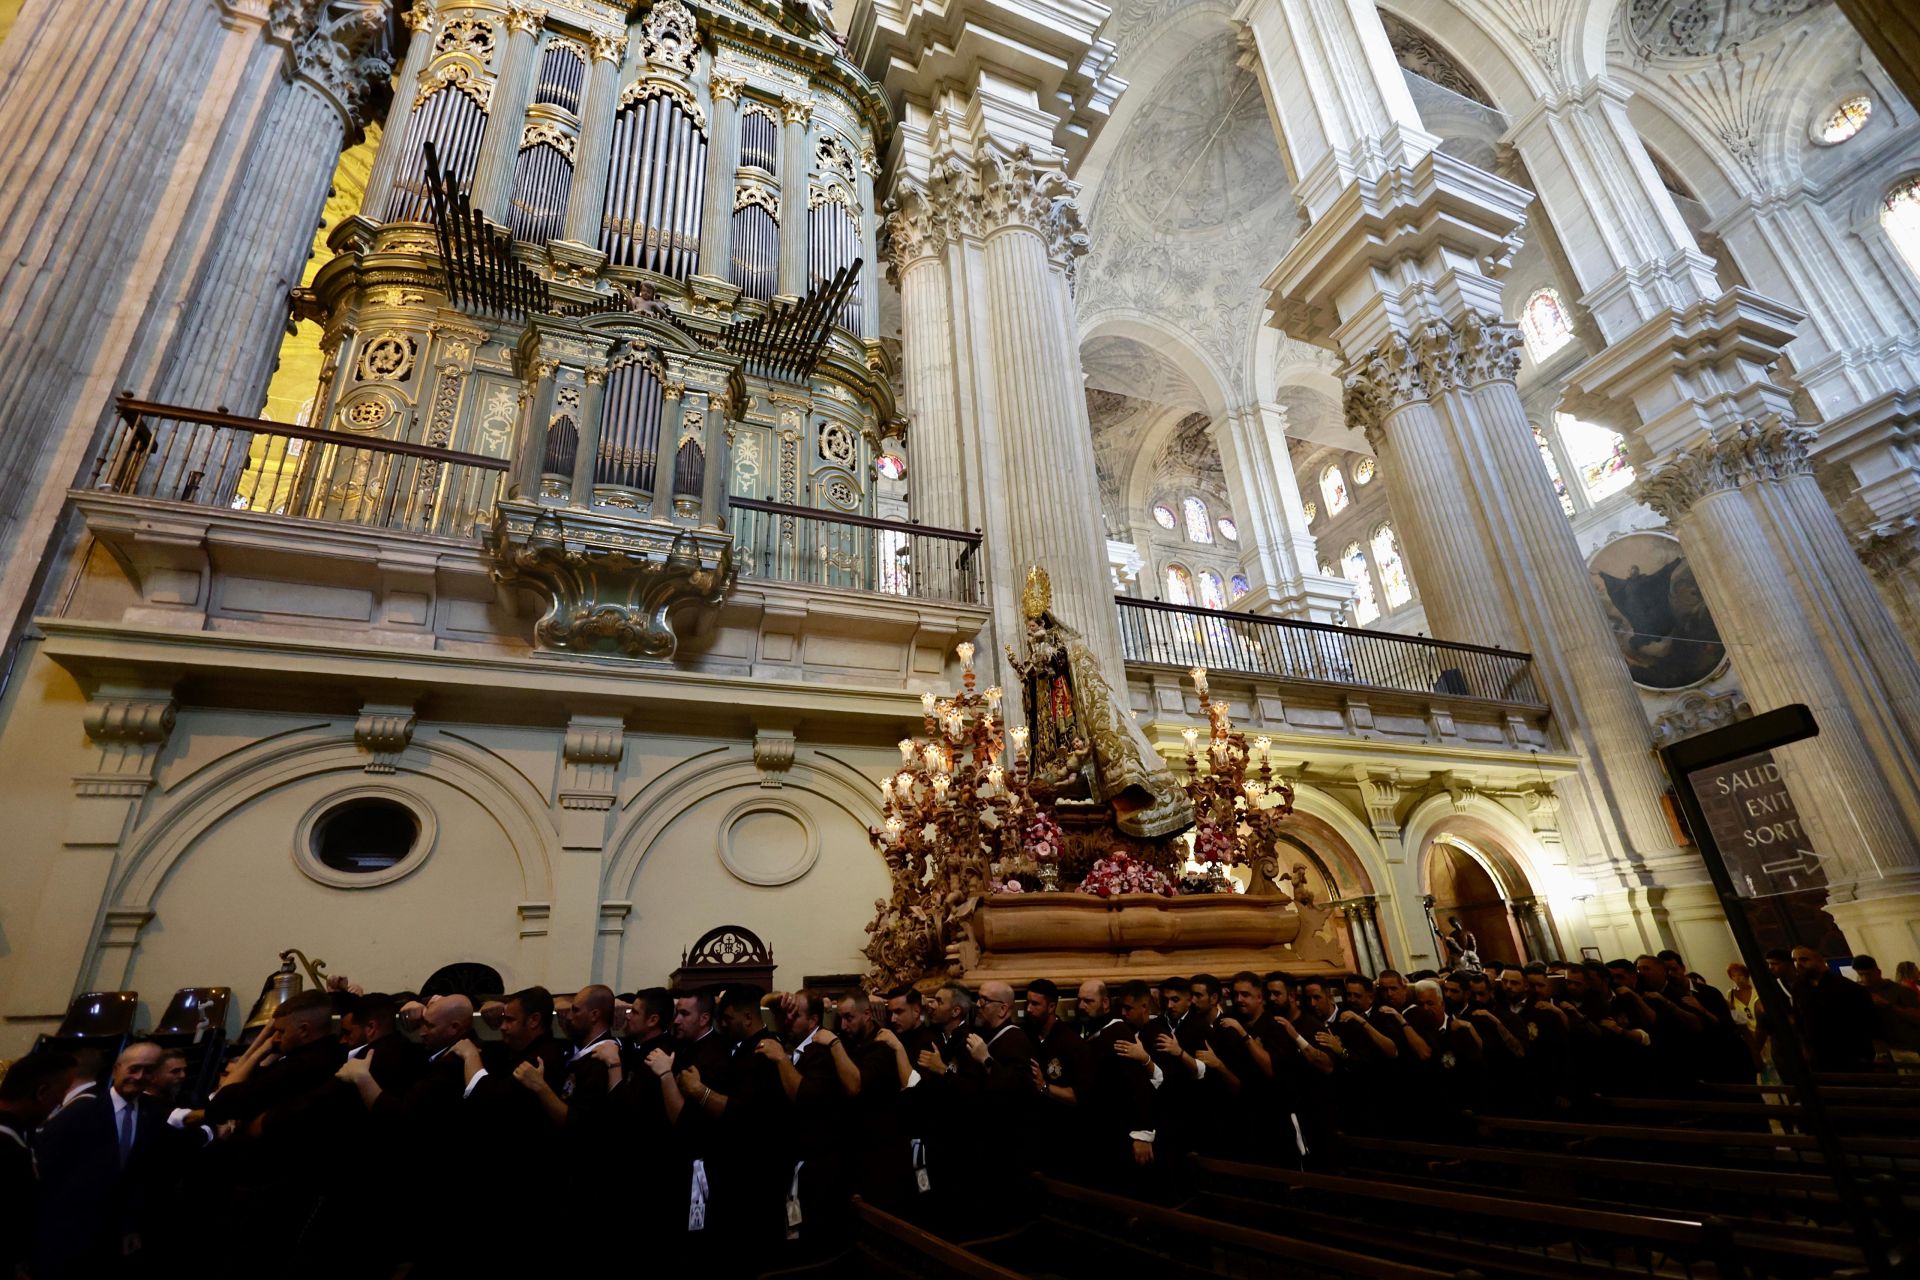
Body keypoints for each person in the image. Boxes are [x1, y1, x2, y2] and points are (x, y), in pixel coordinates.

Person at [33, 1041, 179, 1278]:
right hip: (70, 1233)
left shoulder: (153, 1113)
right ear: (116, 1069)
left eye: (148, 1070)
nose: (140, 1076)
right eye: (134, 1069)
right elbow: (48, 1168)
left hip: (116, 1238)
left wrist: (130, 1225)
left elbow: (141, 1174)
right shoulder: (82, 1111)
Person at [1, 1051, 78, 1278]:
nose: (62, 1101)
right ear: (42, 1092)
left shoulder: (19, 1136)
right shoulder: (7, 1150)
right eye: (63, 1092)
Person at [1790, 946, 1876, 1072]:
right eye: (1794, 960)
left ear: (1820, 960)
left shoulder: (1847, 987)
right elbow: (1799, 1020)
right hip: (1818, 1055)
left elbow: (1866, 1021)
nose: (1798, 964)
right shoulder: (1798, 987)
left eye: (1804, 959)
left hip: (1849, 1053)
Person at [1853, 955, 1920, 1061]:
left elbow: (1917, 1017)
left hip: (1908, 1048)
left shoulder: (1900, 991)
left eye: (1869, 974)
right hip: (1884, 1051)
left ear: (1878, 972)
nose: (1865, 978)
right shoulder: (1860, 994)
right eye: (1861, 974)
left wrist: (1888, 1005)